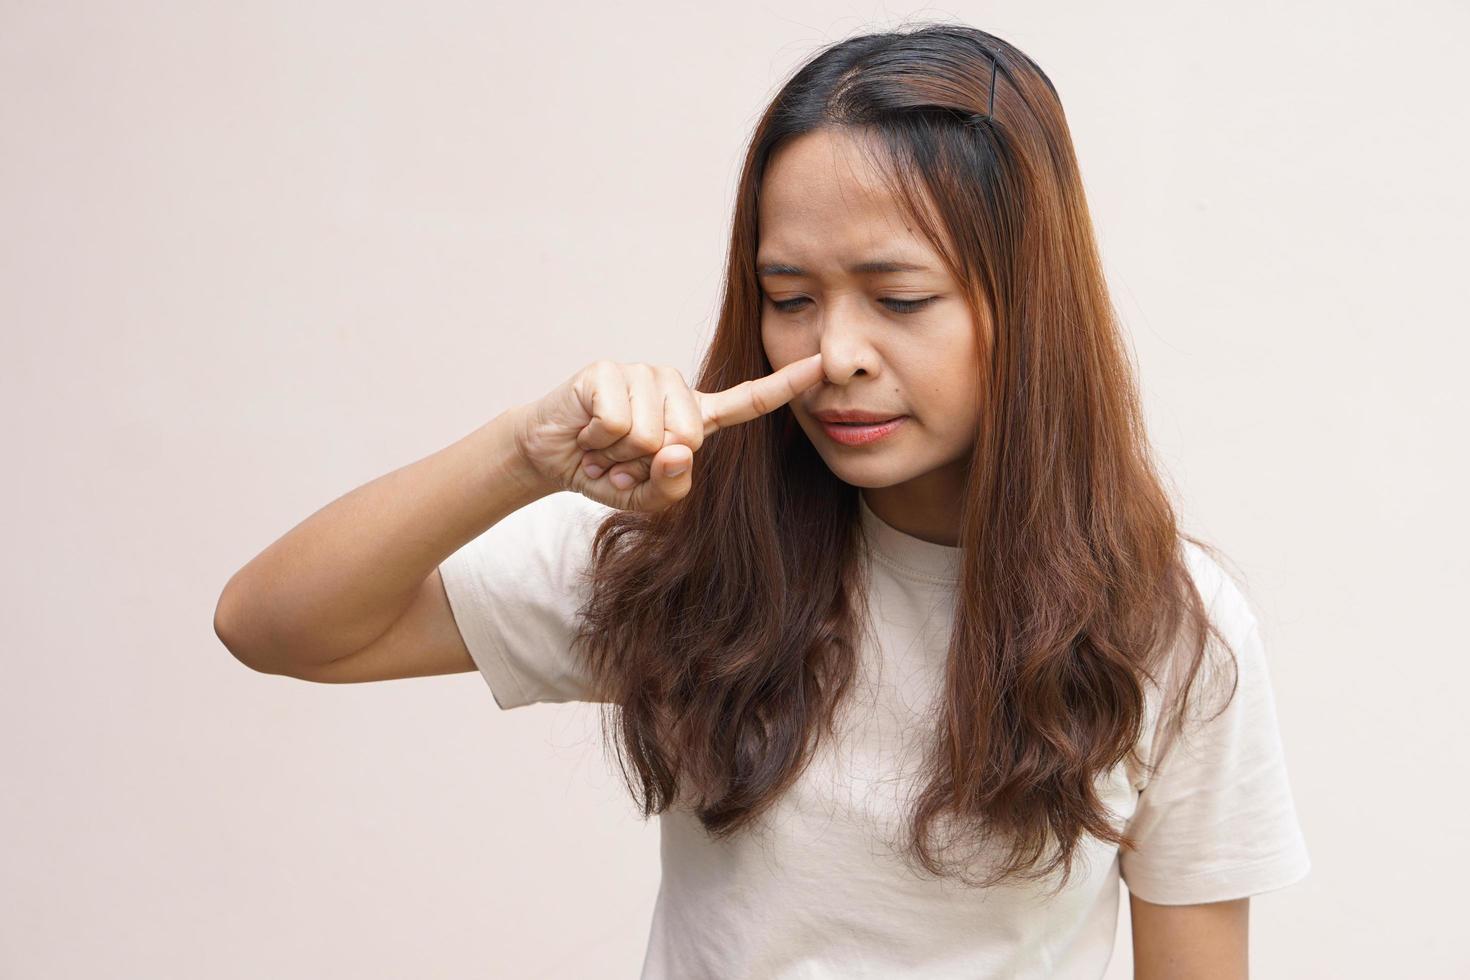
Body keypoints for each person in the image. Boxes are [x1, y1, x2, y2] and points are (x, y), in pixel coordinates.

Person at [214, 22, 1310, 979]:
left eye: (899, 297)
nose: (835, 353)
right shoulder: (698, 547)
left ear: (1029, 307)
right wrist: (521, 451)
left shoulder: (1172, 629)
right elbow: (273, 622)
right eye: (790, 296)